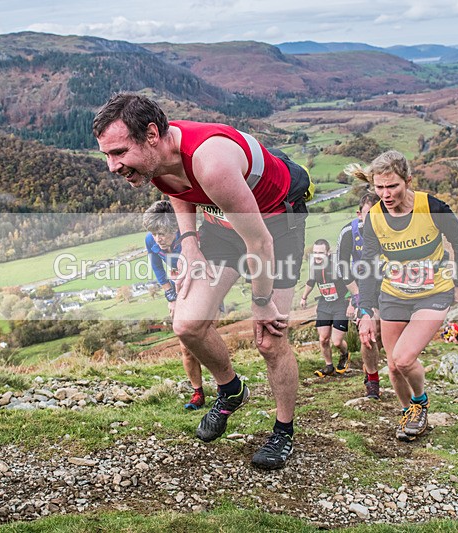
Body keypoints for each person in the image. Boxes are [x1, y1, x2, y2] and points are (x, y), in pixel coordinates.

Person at [94, 93, 310, 470]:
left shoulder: (211, 163)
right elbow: (177, 189)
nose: (113, 166)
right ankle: (231, 389)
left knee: (271, 340)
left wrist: (261, 302)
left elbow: (259, 242)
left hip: (276, 223)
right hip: (222, 225)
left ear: (150, 135)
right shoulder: (156, 158)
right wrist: (190, 243)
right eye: (107, 156)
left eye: (118, 152)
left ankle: (283, 431)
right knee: (188, 324)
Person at [348, 150, 458, 442]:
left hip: (433, 292)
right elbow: (368, 265)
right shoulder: (374, 218)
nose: (386, 194)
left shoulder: (432, 206)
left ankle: (420, 403)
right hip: (394, 294)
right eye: (380, 187)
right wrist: (365, 310)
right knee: (392, 365)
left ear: (408, 180)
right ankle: (408, 413)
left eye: (393, 187)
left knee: (403, 359)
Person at [143, 200, 205, 410]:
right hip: (178, 287)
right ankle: (198, 393)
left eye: (162, 234)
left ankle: (227, 387)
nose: (158, 239)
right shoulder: (150, 240)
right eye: (154, 233)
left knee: (205, 338)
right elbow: (158, 269)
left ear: (175, 228)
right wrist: (171, 297)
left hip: (202, 282)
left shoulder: (190, 238)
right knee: (185, 344)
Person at [337, 192, 382, 399]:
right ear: (359, 214)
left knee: (381, 333)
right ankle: (373, 381)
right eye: (368, 214)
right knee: (368, 334)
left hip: (387, 286)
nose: (373, 218)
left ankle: (370, 365)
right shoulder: (348, 232)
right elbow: (342, 268)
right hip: (361, 287)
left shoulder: (389, 229)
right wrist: (357, 296)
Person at [300, 239, 356, 378]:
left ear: (328, 253)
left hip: (340, 303)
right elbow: (311, 282)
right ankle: (329, 366)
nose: (317, 256)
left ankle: (345, 354)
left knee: (336, 341)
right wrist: (304, 297)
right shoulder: (314, 265)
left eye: (321, 253)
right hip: (325, 304)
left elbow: (351, 285)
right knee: (323, 339)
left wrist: (351, 304)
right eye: (315, 253)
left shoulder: (338, 265)